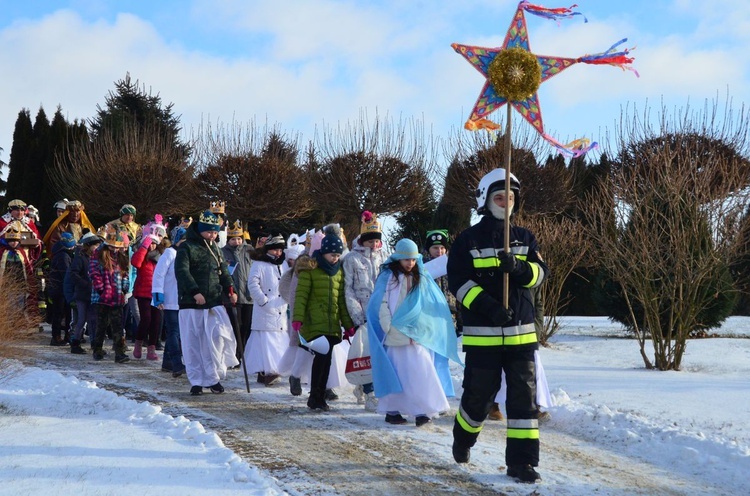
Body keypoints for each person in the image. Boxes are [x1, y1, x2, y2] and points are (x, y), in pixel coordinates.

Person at [447, 168, 548, 483]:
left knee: (523, 399)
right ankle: (463, 438)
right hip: (484, 337)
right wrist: (489, 309)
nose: (506, 203)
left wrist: (519, 268)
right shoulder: (467, 240)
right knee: (479, 396)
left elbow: (540, 274)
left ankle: (522, 463)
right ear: (485, 200)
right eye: (500, 197)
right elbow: (459, 284)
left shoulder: (524, 237)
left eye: (511, 198)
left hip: (521, 336)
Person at [366, 238, 462, 426]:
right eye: (406, 259)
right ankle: (392, 410)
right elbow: (381, 302)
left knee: (420, 371)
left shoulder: (422, 277)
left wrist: (426, 326)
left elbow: (428, 303)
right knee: (396, 373)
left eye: (412, 259)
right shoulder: (388, 277)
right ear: (398, 259)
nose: (410, 263)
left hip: (416, 334)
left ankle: (422, 411)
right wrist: (387, 325)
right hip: (395, 333)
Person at [174, 210, 239, 396]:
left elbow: (224, 272)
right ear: (201, 230)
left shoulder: (215, 248)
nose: (213, 235)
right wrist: (195, 292)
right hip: (191, 304)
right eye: (210, 232)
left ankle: (213, 378)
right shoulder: (186, 248)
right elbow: (182, 272)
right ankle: (196, 381)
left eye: (216, 232)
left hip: (213, 302)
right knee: (193, 343)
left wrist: (230, 290)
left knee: (214, 342)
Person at [292, 229, 355, 411]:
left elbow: (341, 301)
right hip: (314, 323)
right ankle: (315, 397)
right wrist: (298, 319)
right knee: (321, 360)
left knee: (326, 362)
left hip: (331, 324)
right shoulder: (310, 270)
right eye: (332, 255)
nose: (335, 258)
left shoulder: (338, 273)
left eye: (337, 255)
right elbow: (301, 296)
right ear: (323, 252)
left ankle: (319, 396)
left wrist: (348, 324)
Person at [342, 210, 388, 411]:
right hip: (363, 313)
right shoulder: (352, 259)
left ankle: (366, 387)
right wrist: (357, 314)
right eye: (370, 241)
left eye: (376, 241)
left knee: (381, 355)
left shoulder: (384, 257)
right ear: (363, 240)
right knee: (366, 354)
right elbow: (348, 289)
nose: (374, 244)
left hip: (382, 315)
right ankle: (370, 393)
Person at [244, 234, 290, 386]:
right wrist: (264, 301)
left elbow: (287, 281)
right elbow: (253, 284)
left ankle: (273, 369)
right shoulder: (259, 264)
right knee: (265, 341)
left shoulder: (283, 265)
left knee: (278, 339)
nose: (278, 253)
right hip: (265, 308)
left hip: (280, 306)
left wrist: (286, 298)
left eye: (280, 250)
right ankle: (267, 370)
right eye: (275, 250)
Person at [89, 228, 131, 363]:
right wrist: (101, 289)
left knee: (117, 325)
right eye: (113, 246)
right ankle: (97, 349)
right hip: (102, 296)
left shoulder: (120, 257)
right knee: (101, 324)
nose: (115, 249)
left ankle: (119, 353)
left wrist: (125, 288)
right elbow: (94, 273)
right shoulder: (98, 254)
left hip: (117, 295)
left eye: (117, 247)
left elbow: (125, 274)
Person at [130, 216, 168, 361]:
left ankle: (151, 348)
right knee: (146, 319)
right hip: (143, 292)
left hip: (157, 292)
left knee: (156, 321)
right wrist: (144, 247)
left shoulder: (160, 256)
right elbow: (136, 263)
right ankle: (139, 344)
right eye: (150, 243)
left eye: (154, 243)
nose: (152, 245)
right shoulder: (142, 254)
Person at [152, 227, 187, 377]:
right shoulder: (169, 253)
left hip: (183, 300)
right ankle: (176, 363)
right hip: (170, 299)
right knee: (174, 332)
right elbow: (158, 275)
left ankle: (167, 362)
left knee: (178, 331)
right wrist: (158, 295)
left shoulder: (185, 254)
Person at [221, 220, 254, 361]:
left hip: (247, 295)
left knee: (246, 326)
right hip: (232, 295)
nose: (237, 241)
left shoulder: (249, 250)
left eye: (239, 238)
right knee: (235, 325)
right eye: (233, 239)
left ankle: (243, 352)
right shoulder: (223, 252)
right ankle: (235, 354)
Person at [68, 231, 101, 354]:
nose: (97, 248)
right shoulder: (80, 258)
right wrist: (85, 283)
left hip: (92, 294)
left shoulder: (96, 259)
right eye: (95, 246)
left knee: (93, 319)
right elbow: (73, 274)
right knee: (81, 319)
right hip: (82, 294)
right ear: (88, 245)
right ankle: (75, 342)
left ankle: (94, 343)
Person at [0, 223, 42, 312]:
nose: (13, 243)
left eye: (15, 240)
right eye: (11, 241)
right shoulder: (3, 251)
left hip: (21, 282)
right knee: (9, 305)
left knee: (20, 305)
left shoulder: (21, 251)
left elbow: (27, 266)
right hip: (7, 283)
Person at [48, 232, 76, 346]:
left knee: (61, 313)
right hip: (60, 289)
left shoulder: (61, 253)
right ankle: (57, 337)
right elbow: (66, 274)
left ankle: (63, 336)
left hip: (58, 288)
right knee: (60, 313)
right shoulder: (63, 256)